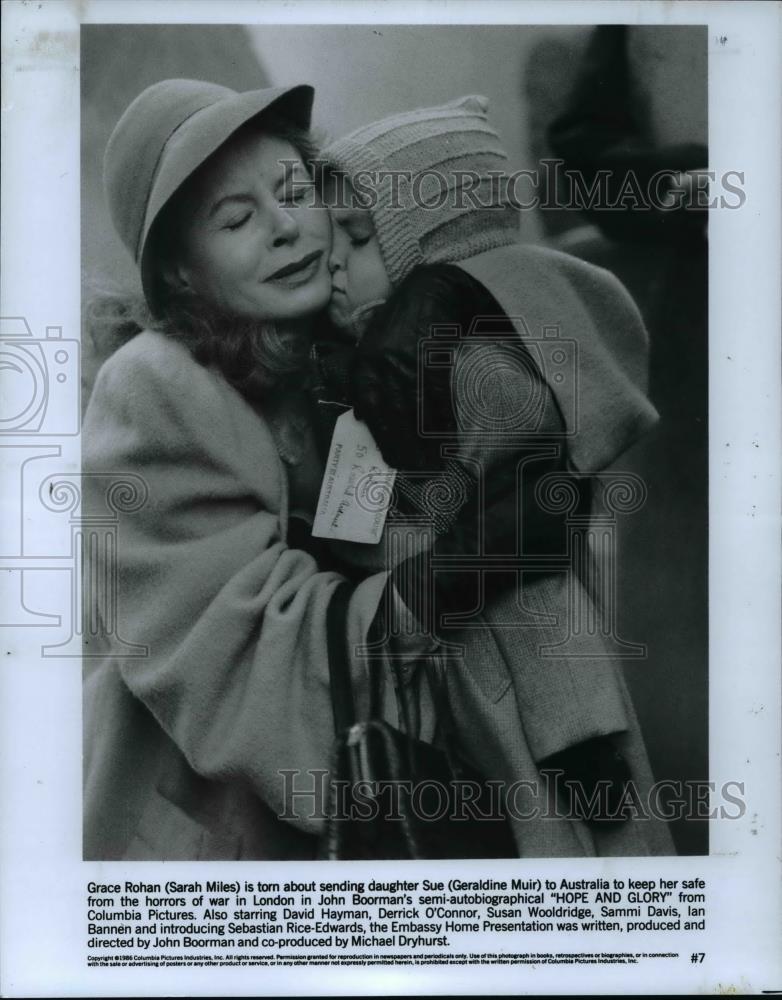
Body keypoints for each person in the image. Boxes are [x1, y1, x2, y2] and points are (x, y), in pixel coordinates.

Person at [83, 79, 514, 860]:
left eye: (295, 190)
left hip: (408, 771)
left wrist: (445, 295)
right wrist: (451, 576)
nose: (286, 228)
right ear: (180, 273)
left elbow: (568, 316)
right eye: (237, 219)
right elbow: (233, 651)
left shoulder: (361, 327)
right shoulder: (153, 388)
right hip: (218, 837)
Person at [317, 95, 675, 855]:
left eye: (355, 240)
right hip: (468, 668)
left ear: (431, 252)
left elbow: (535, 551)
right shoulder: (406, 358)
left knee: (569, 854)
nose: (333, 270)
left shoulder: (476, 369)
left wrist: (576, 730)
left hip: (532, 698)